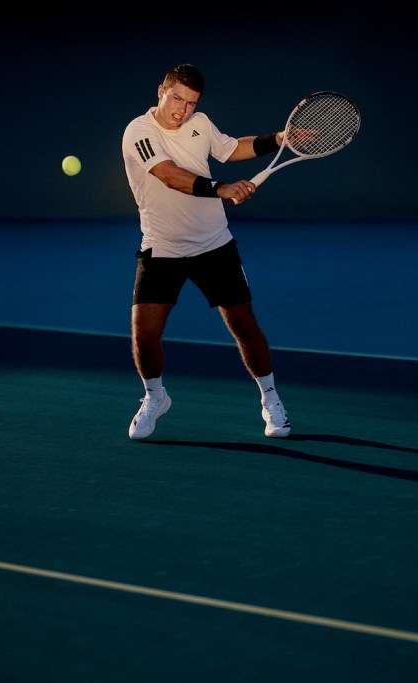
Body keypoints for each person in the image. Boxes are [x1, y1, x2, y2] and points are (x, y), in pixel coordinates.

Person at [121, 63, 290, 441]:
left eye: (191, 103)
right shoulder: (139, 131)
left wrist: (277, 138)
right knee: (144, 334)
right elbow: (168, 174)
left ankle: (271, 399)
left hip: (214, 244)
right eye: (176, 98)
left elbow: (231, 149)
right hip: (162, 247)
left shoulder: (200, 123)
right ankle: (155, 397)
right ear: (161, 91)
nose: (182, 109)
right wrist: (221, 189)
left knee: (244, 325)